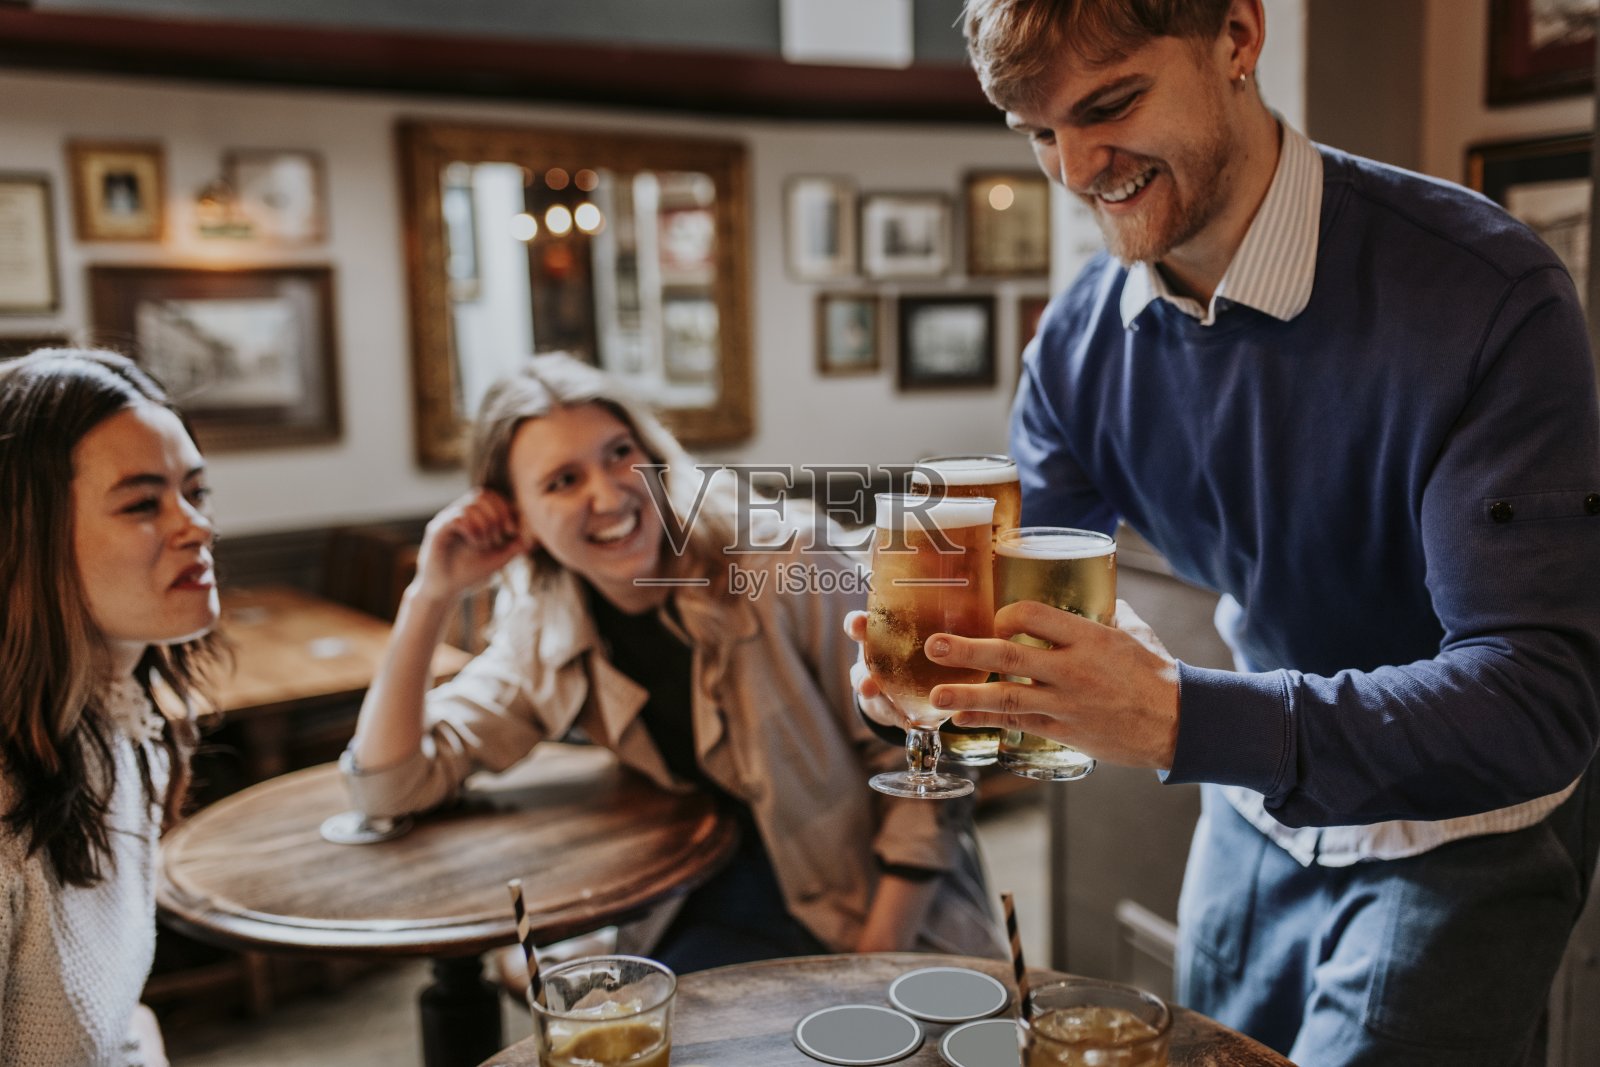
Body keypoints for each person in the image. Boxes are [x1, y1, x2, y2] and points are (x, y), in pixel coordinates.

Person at [852, 1, 1600, 1063]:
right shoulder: (1075, 341)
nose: (1073, 167)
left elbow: (1536, 700)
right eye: (1036, 130)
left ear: (1238, 39)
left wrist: (1176, 719)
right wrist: (936, 672)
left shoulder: (1488, 295)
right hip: (1253, 811)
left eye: (1110, 105)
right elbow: (1016, 607)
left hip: (1461, 831)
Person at [344, 353, 1003, 972]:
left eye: (620, 453)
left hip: (871, 902)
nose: (608, 494)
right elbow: (388, 786)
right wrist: (430, 595)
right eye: (563, 480)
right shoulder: (543, 629)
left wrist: (871, 959)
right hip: (697, 901)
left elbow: (926, 761)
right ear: (520, 520)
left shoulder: (785, 559)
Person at [0, 349, 221, 1067]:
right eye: (142, 503)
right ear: (27, 538)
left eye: (195, 491)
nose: (196, 527)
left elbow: (118, 1017)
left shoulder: (127, 728)